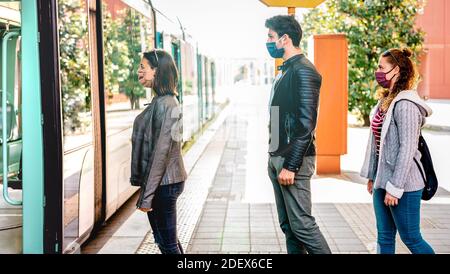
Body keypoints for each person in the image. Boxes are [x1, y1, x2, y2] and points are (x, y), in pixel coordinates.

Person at [265, 15, 331, 254]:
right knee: (289, 227)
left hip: (293, 160)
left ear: (285, 38)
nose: (268, 42)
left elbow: (306, 124)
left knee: (302, 226)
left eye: (271, 37)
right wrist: (272, 156)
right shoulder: (286, 70)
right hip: (278, 156)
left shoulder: (304, 71)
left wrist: (290, 166)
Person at [360, 48, 435, 254]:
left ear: (397, 70)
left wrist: (395, 187)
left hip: (405, 184)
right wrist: (372, 176)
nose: (377, 71)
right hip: (381, 181)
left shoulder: (406, 104)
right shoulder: (385, 101)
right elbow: (377, 143)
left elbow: (408, 148)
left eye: (381, 67)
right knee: (384, 238)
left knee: (411, 238)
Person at [130, 49, 187, 254]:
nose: (139, 71)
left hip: (165, 184)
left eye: (143, 67)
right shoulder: (160, 101)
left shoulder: (168, 104)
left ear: (157, 70)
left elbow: (161, 154)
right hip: (162, 183)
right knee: (166, 241)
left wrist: (147, 196)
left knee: (167, 244)